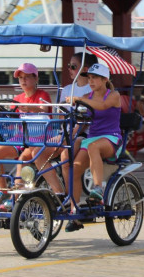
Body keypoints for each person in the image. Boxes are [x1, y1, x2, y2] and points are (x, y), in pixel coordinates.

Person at [19, 52, 99, 196]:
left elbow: (86, 120)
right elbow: (61, 114)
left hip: (84, 134)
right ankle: (59, 192)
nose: (69, 69)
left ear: (85, 69)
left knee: (65, 157)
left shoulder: (91, 90)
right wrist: (62, 133)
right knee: (37, 153)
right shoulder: (67, 89)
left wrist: (69, 134)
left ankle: (72, 199)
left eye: (73, 66)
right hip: (66, 133)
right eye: (69, 66)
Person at [63, 63, 122, 231]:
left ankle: (98, 189)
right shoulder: (88, 95)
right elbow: (82, 118)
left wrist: (79, 99)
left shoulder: (114, 95)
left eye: (95, 77)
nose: (91, 81)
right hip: (92, 139)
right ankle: (74, 212)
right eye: (89, 78)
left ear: (105, 79)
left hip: (111, 138)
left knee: (93, 147)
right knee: (75, 168)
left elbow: (102, 107)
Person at [0, 62, 50, 210]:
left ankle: (14, 198)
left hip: (38, 139)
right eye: (21, 78)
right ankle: (3, 190)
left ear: (36, 79)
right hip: (20, 138)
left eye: (27, 77)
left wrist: (30, 108)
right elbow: (12, 122)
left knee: (22, 160)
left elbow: (44, 109)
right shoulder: (17, 98)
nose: (23, 80)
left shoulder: (43, 95)